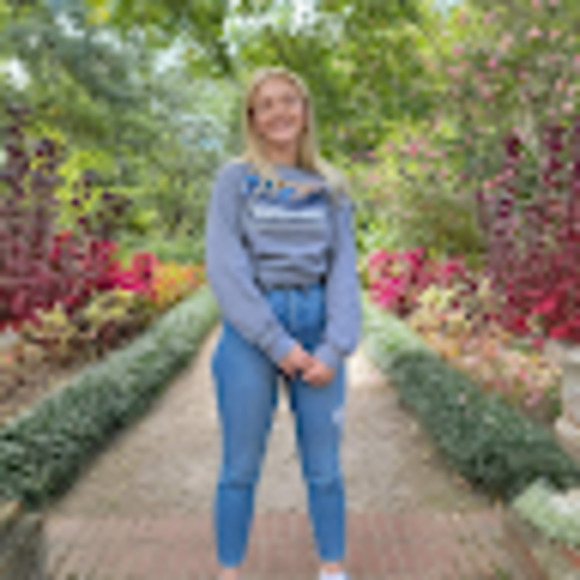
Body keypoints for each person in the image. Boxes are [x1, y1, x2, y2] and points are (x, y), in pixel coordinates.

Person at [205, 65, 361, 580]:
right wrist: (278, 344)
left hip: (317, 329)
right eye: (266, 104)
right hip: (252, 334)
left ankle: (332, 569)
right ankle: (230, 571)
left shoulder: (331, 187)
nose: (279, 112)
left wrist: (334, 348)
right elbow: (225, 269)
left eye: (289, 100)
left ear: (305, 112)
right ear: (253, 118)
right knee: (239, 467)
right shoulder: (235, 181)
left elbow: (343, 271)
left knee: (325, 468)